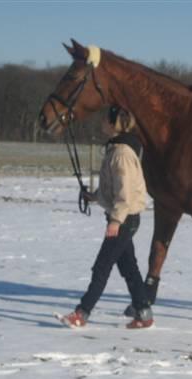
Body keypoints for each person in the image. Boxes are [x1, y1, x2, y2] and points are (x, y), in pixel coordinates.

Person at [59, 106, 153, 329]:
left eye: (105, 120)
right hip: (123, 217)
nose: (101, 123)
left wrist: (115, 221)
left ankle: (82, 313)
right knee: (129, 268)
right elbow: (113, 190)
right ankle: (144, 313)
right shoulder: (117, 149)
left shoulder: (122, 154)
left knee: (101, 267)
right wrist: (93, 196)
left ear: (114, 125)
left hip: (124, 219)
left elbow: (125, 194)